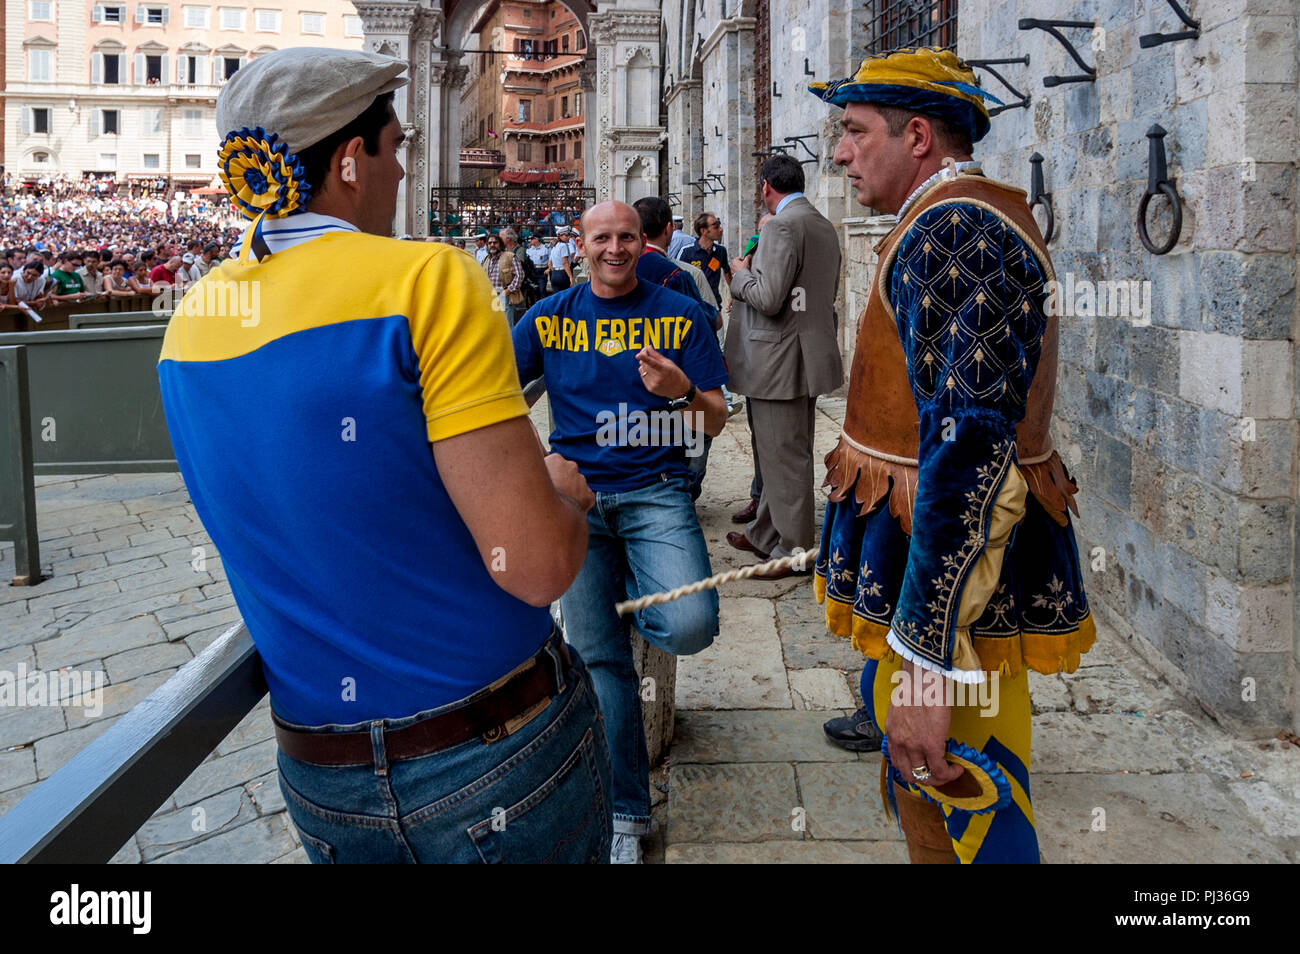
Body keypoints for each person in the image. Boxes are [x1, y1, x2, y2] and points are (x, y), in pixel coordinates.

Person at [157, 46, 612, 864]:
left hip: (322, 778)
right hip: (490, 749)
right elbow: (536, 565)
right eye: (395, 147)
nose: (403, 170)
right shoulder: (428, 281)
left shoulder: (191, 319)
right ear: (348, 160)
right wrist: (563, 497)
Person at [809, 48, 1094, 863]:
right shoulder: (948, 218)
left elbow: (971, 456)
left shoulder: (957, 230)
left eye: (856, 131)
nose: (839, 152)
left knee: (970, 806)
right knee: (935, 805)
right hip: (931, 596)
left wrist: (928, 671)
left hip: (956, 611)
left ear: (921, 136)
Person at [513, 200, 728, 863]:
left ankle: (641, 580)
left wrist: (679, 390)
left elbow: (716, 419)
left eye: (626, 237)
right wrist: (539, 460)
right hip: (575, 504)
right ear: (577, 246)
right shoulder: (548, 318)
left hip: (653, 493)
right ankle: (626, 817)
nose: (614, 248)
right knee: (602, 662)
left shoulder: (682, 313)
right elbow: (488, 399)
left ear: (646, 242)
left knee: (692, 623)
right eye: (600, 238)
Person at [724, 154, 842, 579]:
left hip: (776, 360)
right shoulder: (821, 224)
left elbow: (770, 298)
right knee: (781, 453)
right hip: (800, 355)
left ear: (765, 187)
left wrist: (739, 274)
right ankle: (764, 533)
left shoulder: (780, 225)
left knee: (785, 457)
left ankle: (793, 551)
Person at [680, 213, 732, 310]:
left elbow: (727, 271)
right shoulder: (687, 252)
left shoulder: (721, 251)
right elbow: (678, 279)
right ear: (703, 231)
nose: (720, 229)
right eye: (716, 226)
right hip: (694, 306)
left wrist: (733, 295)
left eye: (719, 225)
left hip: (714, 306)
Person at [481, 233, 524, 325]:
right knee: (494, 325)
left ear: (500, 244)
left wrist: (508, 290)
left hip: (505, 294)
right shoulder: (486, 259)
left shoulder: (509, 256)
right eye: (490, 243)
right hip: (490, 295)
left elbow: (520, 275)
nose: (492, 245)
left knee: (507, 325)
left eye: (495, 242)